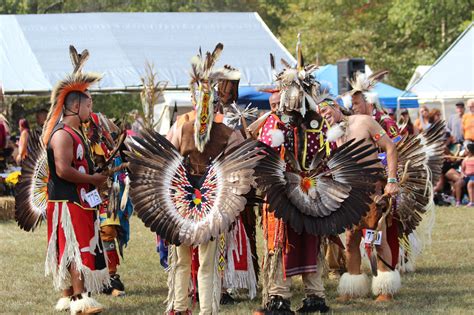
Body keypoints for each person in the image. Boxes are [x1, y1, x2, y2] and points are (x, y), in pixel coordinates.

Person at [42, 60, 109, 313]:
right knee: (73, 247)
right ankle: (79, 299)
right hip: (66, 202)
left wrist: (96, 178)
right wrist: (93, 180)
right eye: (89, 105)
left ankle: (72, 297)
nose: (91, 109)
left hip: (78, 200)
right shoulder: (62, 134)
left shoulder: (77, 133)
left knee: (77, 246)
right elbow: (62, 170)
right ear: (76, 106)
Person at [320, 100, 401, 302]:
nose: (323, 114)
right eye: (319, 112)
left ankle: (385, 290)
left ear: (336, 106)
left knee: (377, 240)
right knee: (351, 241)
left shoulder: (364, 121)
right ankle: (352, 290)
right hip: (349, 194)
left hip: (371, 190)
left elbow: (390, 147)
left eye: (325, 109)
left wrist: (391, 180)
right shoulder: (331, 134)